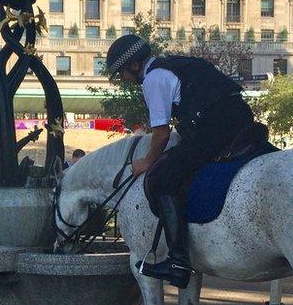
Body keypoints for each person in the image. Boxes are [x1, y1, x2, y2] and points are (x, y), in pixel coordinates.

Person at [105, 34, 257, 289]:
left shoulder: (153, 79)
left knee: (163, 180)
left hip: (216, 127)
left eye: (122, 72)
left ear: (134, 65)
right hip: (238, 117)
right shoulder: (173, 64)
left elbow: (161, 133)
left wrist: (147, 161)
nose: (124, 79)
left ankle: (178, 260)